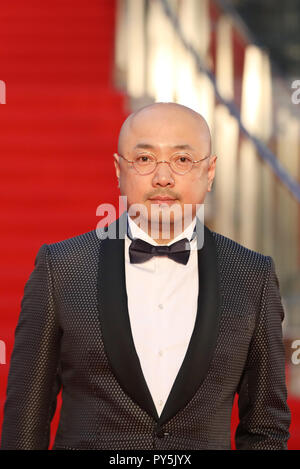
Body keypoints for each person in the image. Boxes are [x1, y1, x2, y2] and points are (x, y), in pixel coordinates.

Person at [0, 102, 291, 450]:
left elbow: (266, 427)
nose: (163, 178)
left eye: (182, 160)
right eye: (145, 159)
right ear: (119, 170)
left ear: (210, 172)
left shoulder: (251, 275)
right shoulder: (61, 267)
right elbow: (25, 421)